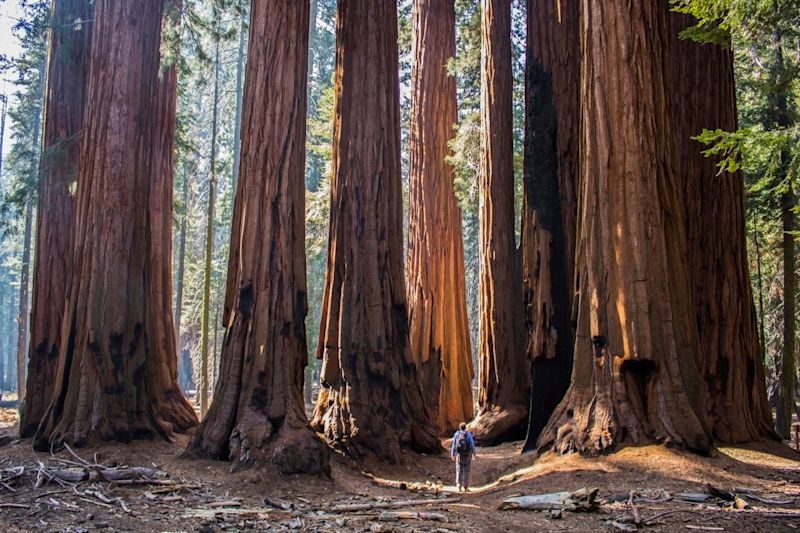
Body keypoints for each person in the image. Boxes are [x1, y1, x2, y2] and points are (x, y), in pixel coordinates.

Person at [451, 422, 476, 492]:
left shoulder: (457, 434)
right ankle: (466, 487)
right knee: (467, 470)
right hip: (467, 454)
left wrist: (453, 454)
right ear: (465, 428)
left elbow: (454, 445)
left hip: (459, 455)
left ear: (459, 428)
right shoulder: (468, 434)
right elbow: (472, 445)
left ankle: (459, 485)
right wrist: (474, 453)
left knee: (459, 469)